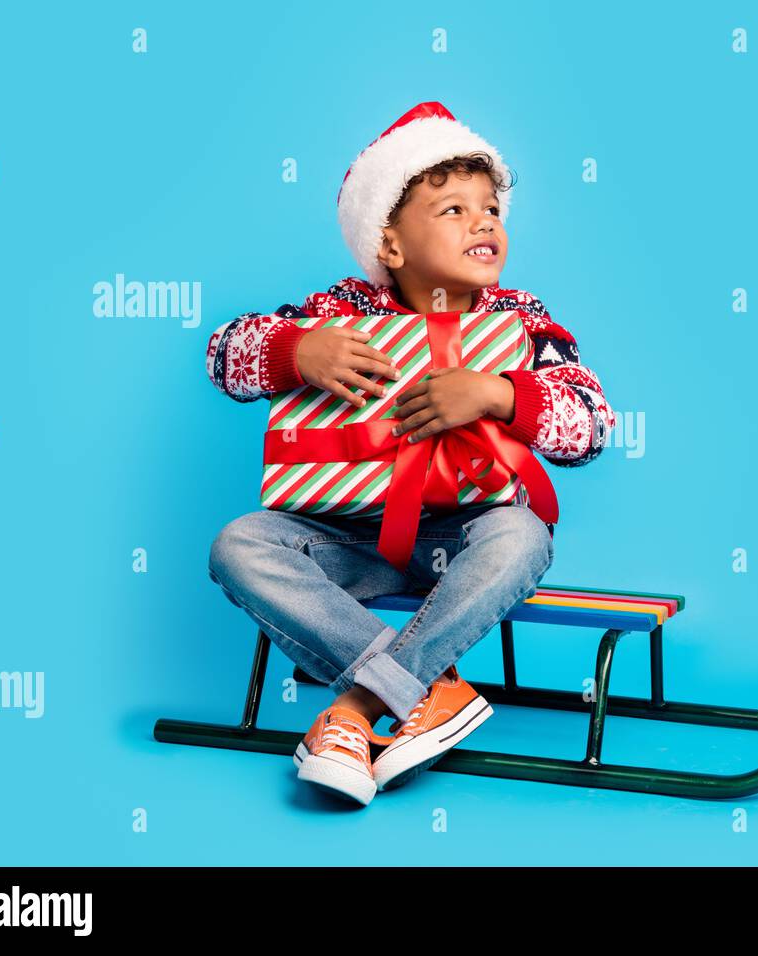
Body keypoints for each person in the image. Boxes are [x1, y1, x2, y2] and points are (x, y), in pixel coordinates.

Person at [203, 102, 616, 805]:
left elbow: (592, 427)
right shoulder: (339, 309)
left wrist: (500, 395)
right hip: (351, 538)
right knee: (239, 543)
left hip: (468, 537)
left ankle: (356, 710)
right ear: (389, 245)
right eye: (453, 209)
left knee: (523, 533)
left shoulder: (521, 317)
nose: (484, 221)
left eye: (491, 208)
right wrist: (295, 348)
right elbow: (223, 356)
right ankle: (432, 691)